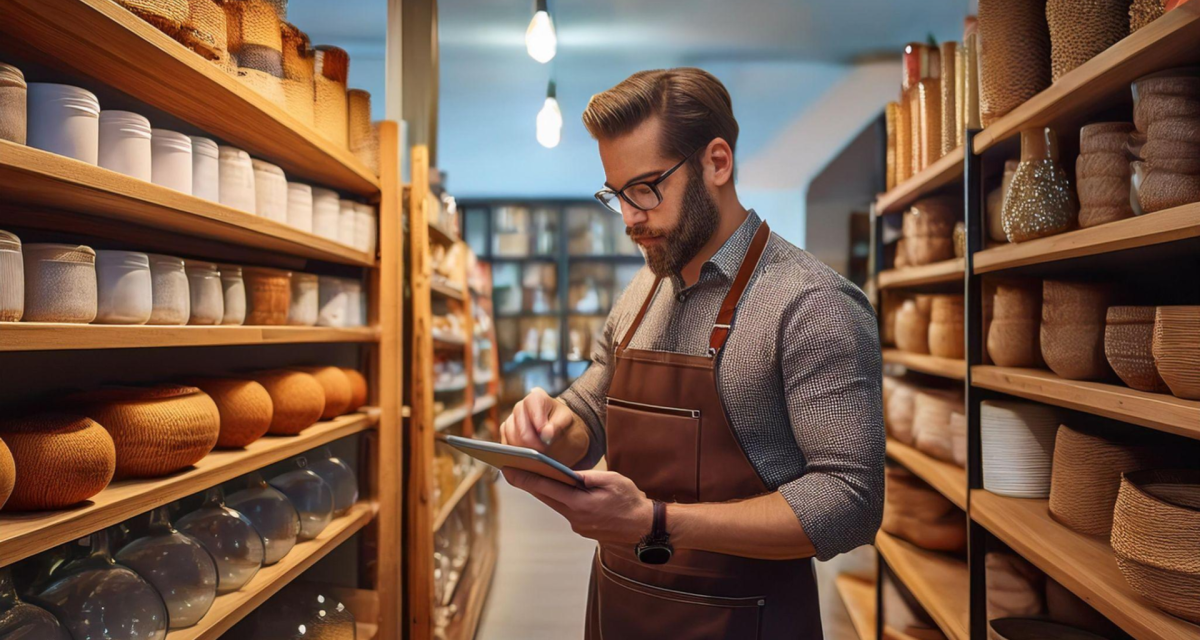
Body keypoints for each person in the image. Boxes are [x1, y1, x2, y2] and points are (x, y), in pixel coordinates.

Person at [500, 67, 884, 639]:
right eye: (617, 194)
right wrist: (550, 428)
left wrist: (656, 522)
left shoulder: (811, 302)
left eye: (646, 187)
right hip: (617, 612)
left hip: (745, 621)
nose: (630, 217)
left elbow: (851, 501)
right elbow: (591, 407)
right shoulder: (642, 290)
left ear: (718, 162)